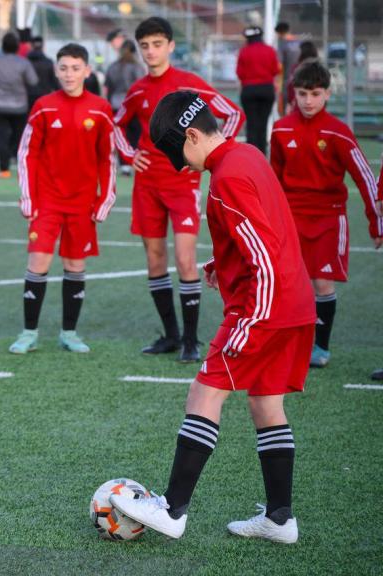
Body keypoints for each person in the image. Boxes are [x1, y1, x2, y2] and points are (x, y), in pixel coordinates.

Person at [110, 90, 316, 544]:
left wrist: (253, 318)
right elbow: (269, 229)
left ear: (192, 134)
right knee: (266, 403)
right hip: (294, 304)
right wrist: (219, 265)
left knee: (204, 392)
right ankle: (280, 519)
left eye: (177, 155)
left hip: (263, 307)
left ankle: (172, 509)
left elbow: (262, 254)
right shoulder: (246, 155)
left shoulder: (226, 179)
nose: (181, 167)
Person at [112, 17, 245, 362]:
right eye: (144, 45)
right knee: (155, 258)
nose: (151, 51)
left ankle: (190, 339)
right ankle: (170, 336)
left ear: (171, 46)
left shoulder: (189, 86)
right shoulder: (138, 89)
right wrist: (130, 155)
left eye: (157, 44)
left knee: (186, 260)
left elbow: (233, 114)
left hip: (183, 184)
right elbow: (116, 125)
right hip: (147, 186)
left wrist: (214, 155)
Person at [269, 61, 381, 368]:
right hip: (291, 218)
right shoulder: (281, 128)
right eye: (303, 93)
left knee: (322, 283)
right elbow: (273, 180)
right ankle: (294, 343)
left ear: (328, 94)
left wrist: (377, 223)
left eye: (315, 94)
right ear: (294, 93)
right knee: (292, 283)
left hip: (329, 218)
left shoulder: (338, 132)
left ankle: (320, 347)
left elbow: (365, 178)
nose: (308, 100)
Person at [9, 43, 116, 355]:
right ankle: (29, 333)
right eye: (64, 68)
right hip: (47, 201)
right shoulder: (43, 105)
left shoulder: (100, 108)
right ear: (56, 70)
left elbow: (106, 159)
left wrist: (104, 199)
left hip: (82, 204)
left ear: (87, 70)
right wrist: (27, 197)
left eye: (75, 68)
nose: (69, 74)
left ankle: (69, 333)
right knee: (38, 262)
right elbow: (27, 152)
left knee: (74, 264)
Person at [0, 32, 39, 179]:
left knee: (2, 137)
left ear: (2, 46)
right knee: (19, 137)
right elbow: (33, 81)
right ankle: (20, 168)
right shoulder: (23, 63)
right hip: (19, 106)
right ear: (18, 47)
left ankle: (4, 170)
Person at [236, 26, 279, 154]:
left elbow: (240, 73)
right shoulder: (270, 50)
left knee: (251, 124)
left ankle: (251, 154)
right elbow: (275, 70)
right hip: (267, 89)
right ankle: (262, 153)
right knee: (263, 123)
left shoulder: (244, 51)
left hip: (249, 90)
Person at [104, 39, 145, 173]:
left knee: (121, 136)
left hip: (116, 103)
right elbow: (142, 87)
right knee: (136, 134)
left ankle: (124, 164)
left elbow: (108, 88)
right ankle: (136, 160)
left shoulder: (113, 67)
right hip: (133, 105)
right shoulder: (137, 67)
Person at [284, 41, 319, 111]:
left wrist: (289, 101)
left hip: (299, 106)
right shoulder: (320, 68)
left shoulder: (297, 68)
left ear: (302, 52)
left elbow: (290, 86)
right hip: (317, 106)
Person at [275, 22, 301, 115]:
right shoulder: (299, 43)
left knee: (285, 109)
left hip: (287, 81)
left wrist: (277, 82)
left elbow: (279, 65)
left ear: (279, 33)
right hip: (301, 80)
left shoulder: (283, 45)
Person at [25, 36, 59, 107]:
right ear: (43, 46)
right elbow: (55, 82)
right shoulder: (48, 62)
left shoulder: (25, 62)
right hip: (44, 97)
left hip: (28, 98)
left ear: (31, 46)